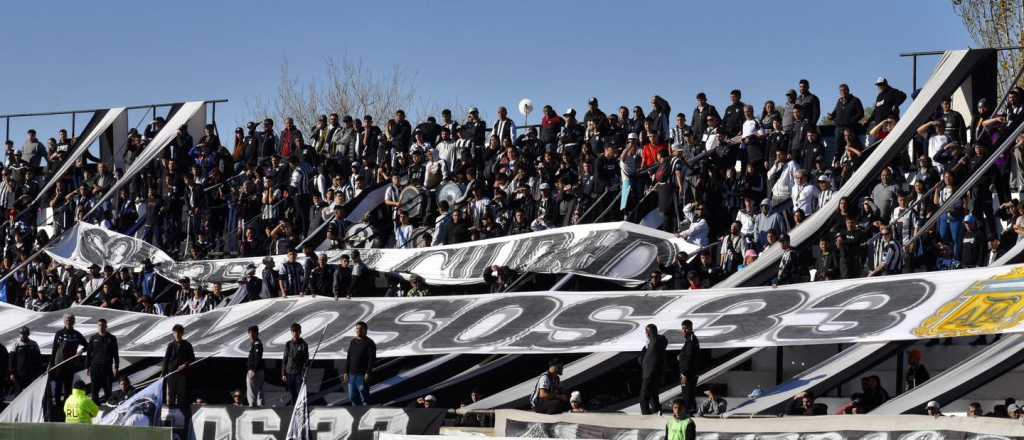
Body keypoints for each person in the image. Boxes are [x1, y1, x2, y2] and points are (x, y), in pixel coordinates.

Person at [50, 314, 86, 410]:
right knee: (58, 386)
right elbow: (54, 349)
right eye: (67, 320)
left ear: (74, 322)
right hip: (59, 364)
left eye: (71, 320)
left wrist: (81, 350)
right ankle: (57, 405)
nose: (69, 322)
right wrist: (51, 364)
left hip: (70, 364)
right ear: (64, 321)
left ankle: (67, 405)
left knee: (68, 386)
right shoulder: (59, 333)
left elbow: (87, 345)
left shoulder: (77, 334)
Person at [161, 324, 195, 409]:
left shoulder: (187, 345)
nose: (177, 335)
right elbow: (166, 359)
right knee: (171, 394)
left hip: (182, 374)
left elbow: (192, 358)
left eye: (178, 333)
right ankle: (171, 411)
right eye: (175, 333)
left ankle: (181, 412)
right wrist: (163, 373)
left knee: (181, 394)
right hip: (171, 373)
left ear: (182, 333)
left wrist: (185, 365)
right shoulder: (170, 345)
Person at [86, 318, 119, 403]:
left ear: (106, 326)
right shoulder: (93, 338)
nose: (101, 327)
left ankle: (109, 405)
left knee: (108, 390)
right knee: (94, 391)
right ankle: (94, 407)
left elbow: (115, 354)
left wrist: (116, 367)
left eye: (103, 325)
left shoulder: (112, 338)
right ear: (97, 326)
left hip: (107, 368)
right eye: (99, 325)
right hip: (95, 368)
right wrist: (87, 367)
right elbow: (88, 353)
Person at [639, 323, 669, 415]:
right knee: (653, 397)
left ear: (649, 332)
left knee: (643, 398)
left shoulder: (654, 342)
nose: (646, 334)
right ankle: (658, 414)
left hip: (649, 375)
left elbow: (643, 359)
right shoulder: (659, 342)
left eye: (647, 331)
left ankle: (646, 417)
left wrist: (645, 348)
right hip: (655, 375)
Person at [344, 321, 376, 406]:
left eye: (361, 329)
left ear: (366, 330)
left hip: (362, 375)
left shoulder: (369, 343)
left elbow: (371, 359)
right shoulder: (353, 341)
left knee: (364, 398)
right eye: (357, 328)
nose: (358, 330)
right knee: (352, 397)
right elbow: (349, 357)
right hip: (352, 375)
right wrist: (346, 372)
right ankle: (356, 412)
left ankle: (365, 412)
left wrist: (368, 372)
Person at [677, 320, 701, 414]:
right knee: (689, 394)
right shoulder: (690, 339)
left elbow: (689, 358)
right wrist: (681, 356)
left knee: (686, 394)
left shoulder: (691, 340)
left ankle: (687, 413)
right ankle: (690, 412)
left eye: (685, 328)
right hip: (689, 372)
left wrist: (684, 373)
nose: (683, 330)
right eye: (682, 328)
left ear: (690, 328)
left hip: (687, 373)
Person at [282, 323, 309, 405]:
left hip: (299, 373)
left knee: (299, 392)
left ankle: (300, 406)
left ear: (300, 332)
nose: (295, 333)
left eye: (297, 331)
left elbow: (306, 360)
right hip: (289, 372)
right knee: (292, 392)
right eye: (293, 331)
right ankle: (293, 407)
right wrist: (283, 373)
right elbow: (285, 359)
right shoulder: (288, 344)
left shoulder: (304, 344)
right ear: (291, 332)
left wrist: (304, 372)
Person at [11, 326, 42, 391]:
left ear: (28, 334)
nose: (23, 335)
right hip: (19, 373)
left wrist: (38, 371)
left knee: (30, 390)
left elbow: (38, 358)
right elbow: (12, 360)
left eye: (25, 334)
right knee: (18, 392)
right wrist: (12, 373)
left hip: (31, 373)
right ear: (19, 334)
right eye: (22, 334)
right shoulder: (16, 344)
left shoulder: (34, 344)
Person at [246, 325, 264, 407]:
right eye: (250, 333)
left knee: (252, 390)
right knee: (259, 390)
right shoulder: (253, 344)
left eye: (253, 333)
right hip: (257, 370)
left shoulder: (257, 344)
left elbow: (257, 358)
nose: (251, 335)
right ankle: (260, 405)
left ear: (257, 333)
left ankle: (253, 405)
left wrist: (253, 370)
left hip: (255, 371)